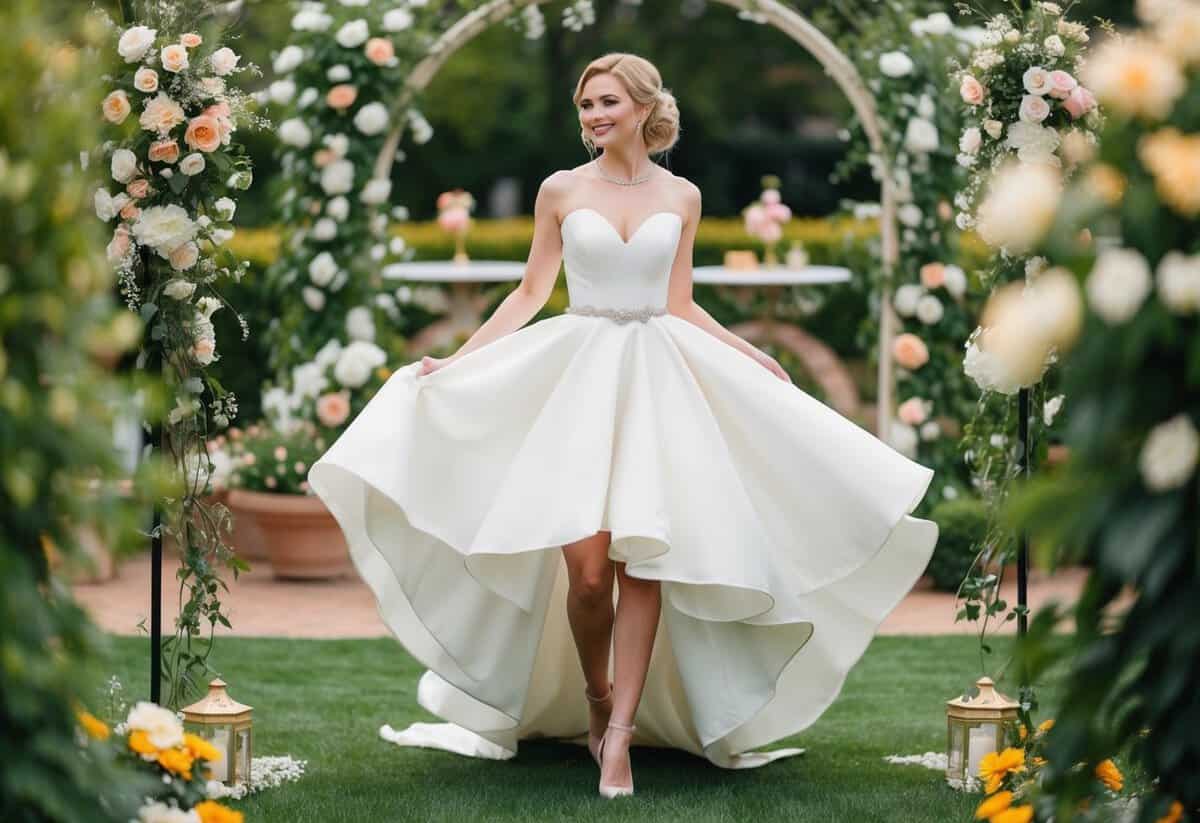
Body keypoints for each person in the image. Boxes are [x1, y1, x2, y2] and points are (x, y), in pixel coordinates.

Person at [308, 52, 938, 800]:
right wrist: (461, 361)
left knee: (647, 562)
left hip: (659, 379)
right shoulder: (560, 189)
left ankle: (620, 735)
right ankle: (596, 693)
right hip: (578, 377)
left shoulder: (684, 195)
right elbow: (531, 290)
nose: (594, 116)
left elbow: (681, 302)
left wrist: (752, 353)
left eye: (607, 102)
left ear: (643, 107)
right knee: (586, 574)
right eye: (585, 106)